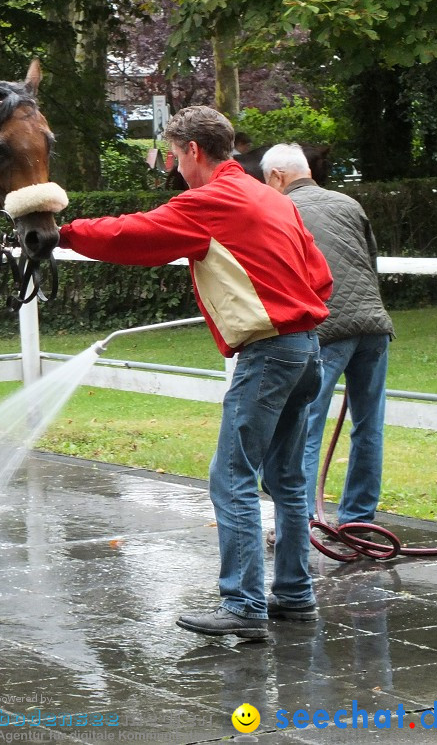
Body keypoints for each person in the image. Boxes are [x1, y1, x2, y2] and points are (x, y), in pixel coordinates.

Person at [58, 106, 332, 639]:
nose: (173, 166)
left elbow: (131, 235)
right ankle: (295, 595)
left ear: (194, 152)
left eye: (173, 154)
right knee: (287, 481)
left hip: (270, 354)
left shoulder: (211, 201)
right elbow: (319, 275)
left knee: (231, 478)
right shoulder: (269, 198)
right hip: (306, 350)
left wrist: (64, 234)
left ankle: (245, 607)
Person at [262, 143, 394, 529]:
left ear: (277, 177)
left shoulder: (281, 209)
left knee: (305, 425)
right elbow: (370, 264)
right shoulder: (348, 203)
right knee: (368, 426)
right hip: (373, 327)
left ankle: (299, 524)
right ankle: (358, 520)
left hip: (326, 327)